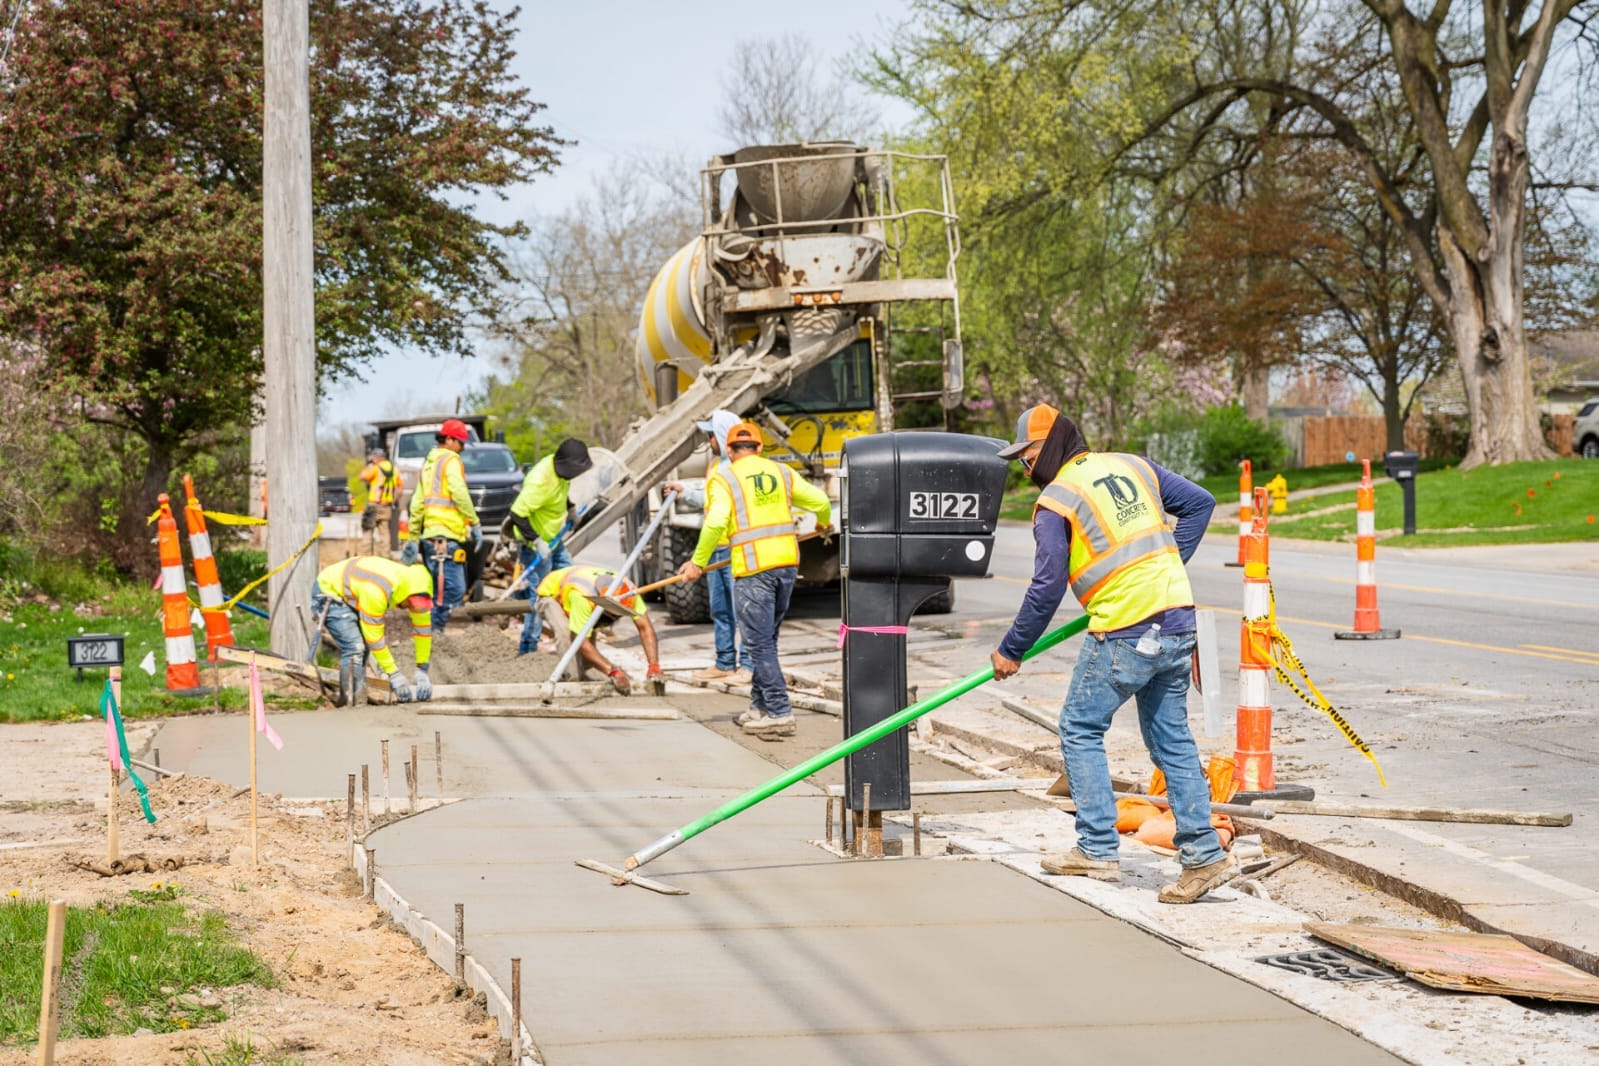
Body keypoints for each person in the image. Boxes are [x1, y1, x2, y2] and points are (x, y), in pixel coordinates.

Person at [989, 403, 1233, 904]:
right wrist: (1160, 564)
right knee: (1171, 741)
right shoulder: (1132, 465)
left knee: (1079, 727)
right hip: (1175, 615)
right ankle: (1204, 856)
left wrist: (1012, 648)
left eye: (1027, 458)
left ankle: (1097, 848)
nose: (1026, 470)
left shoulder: (1057, 500)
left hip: (1126, 627)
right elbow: (1201, 503)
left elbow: (1047, 584)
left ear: (1048, 448)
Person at [676, 422, 831, 737]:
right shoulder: (783, 473)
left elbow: (716, 520)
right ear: (760, 448)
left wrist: (697, 562)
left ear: (730, 452)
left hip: (753, 569)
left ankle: (779, 710)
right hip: (786, 564)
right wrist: (824, 524)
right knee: (766, 640)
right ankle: (760, 706)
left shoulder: (725, 477)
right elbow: (822, 502)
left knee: (758, 642)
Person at [664, 410, 752, 683]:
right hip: (717, 547)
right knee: (721, 609)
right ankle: (725, 662)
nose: (708, 440)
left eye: (711, 435)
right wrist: (684, 492)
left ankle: (748, 665)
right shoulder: (716, 467)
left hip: (735, 548)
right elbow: (709, 497)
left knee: (744, 610)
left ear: (724, 435)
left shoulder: (740, 467)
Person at [311, 555, 435, 706]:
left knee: (364, 647)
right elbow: (374, 638)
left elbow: (423, 632)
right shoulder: (377, 592)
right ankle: (349, 700)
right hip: (330, 590)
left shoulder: (419, 588)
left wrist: (422, 669)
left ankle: (357, 695)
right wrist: (393, 674)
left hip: (354, 590)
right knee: (355, 647)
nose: (412, 608)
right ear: (406, 594)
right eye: (411, 604)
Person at [507, 438, 592, 654]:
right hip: (535, 544)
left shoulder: (561, 473)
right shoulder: (540, 481)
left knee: (570, 580)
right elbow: (517, 513)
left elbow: (559, 494)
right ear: (568, 466)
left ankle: (574, 640)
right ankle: (529, 647)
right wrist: (535, 540)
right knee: (540, 595)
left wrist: (570, 509)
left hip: (553, 540)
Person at [534, 565, 663, 695]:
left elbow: (645, 628)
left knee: (587, 660)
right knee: (566, 633)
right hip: (551, 594)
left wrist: (654, 665)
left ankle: (579, 672)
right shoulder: (582, 597)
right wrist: (612, 671)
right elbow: (580, 641)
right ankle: (570, 682)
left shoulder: (629, 593)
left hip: (582, 589)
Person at [404, 418, 480, 634]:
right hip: (445, 538)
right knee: (454, 590)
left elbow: (417, 503)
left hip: (431, 539)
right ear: (448, 440)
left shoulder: (428, 464)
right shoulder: (450, 460)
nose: (462, 448)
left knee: (437, 591)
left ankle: (431, 632)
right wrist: (474, 521)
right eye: (461, 443)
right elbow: (459, 492)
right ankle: (433, 633)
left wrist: (412, 537)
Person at [358, 449, 403, 551]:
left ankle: (366, 557)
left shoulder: (375, 468)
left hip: (373, 505)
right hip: (387, 506)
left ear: (377, 458)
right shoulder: (395, 469)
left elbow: (362, 477)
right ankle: (385, 557)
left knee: (368, 531)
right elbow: (400, 489)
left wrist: (368, 466)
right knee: (384, 533)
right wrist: (393, 501)